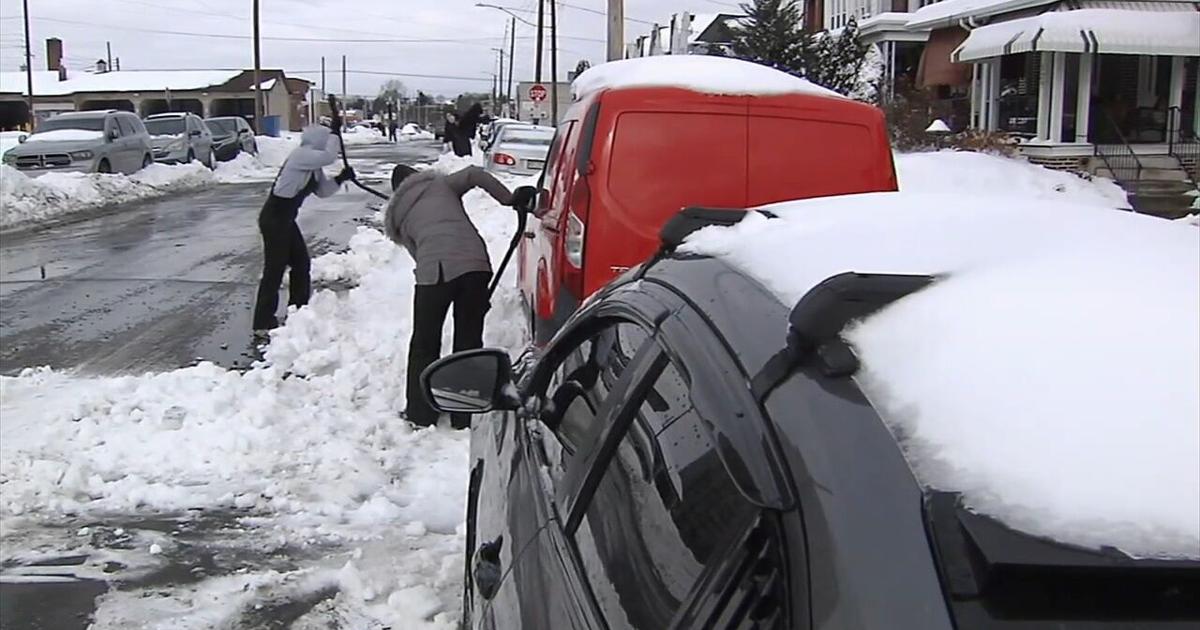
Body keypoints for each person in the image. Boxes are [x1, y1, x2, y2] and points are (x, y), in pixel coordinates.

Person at [386, 164, 536, 428]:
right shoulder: (441, 184)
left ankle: (420, 414)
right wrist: (509, 199)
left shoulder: (398, 216)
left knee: (424, 344)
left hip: (433, 274)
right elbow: (474, 173)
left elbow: (418, 254)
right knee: (469, 340)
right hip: (475, 265)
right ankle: (464, 413)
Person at [251, 122, 355, 337]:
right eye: (325, 140)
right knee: (275, 269)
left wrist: (340, 178)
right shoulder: (301, 155)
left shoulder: (313, 166)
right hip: (274, 218)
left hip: (286, 219)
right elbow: (329, 156)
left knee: (301, 263)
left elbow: (323, 191)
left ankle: (298, 312)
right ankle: (262, 322)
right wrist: (335, 135)